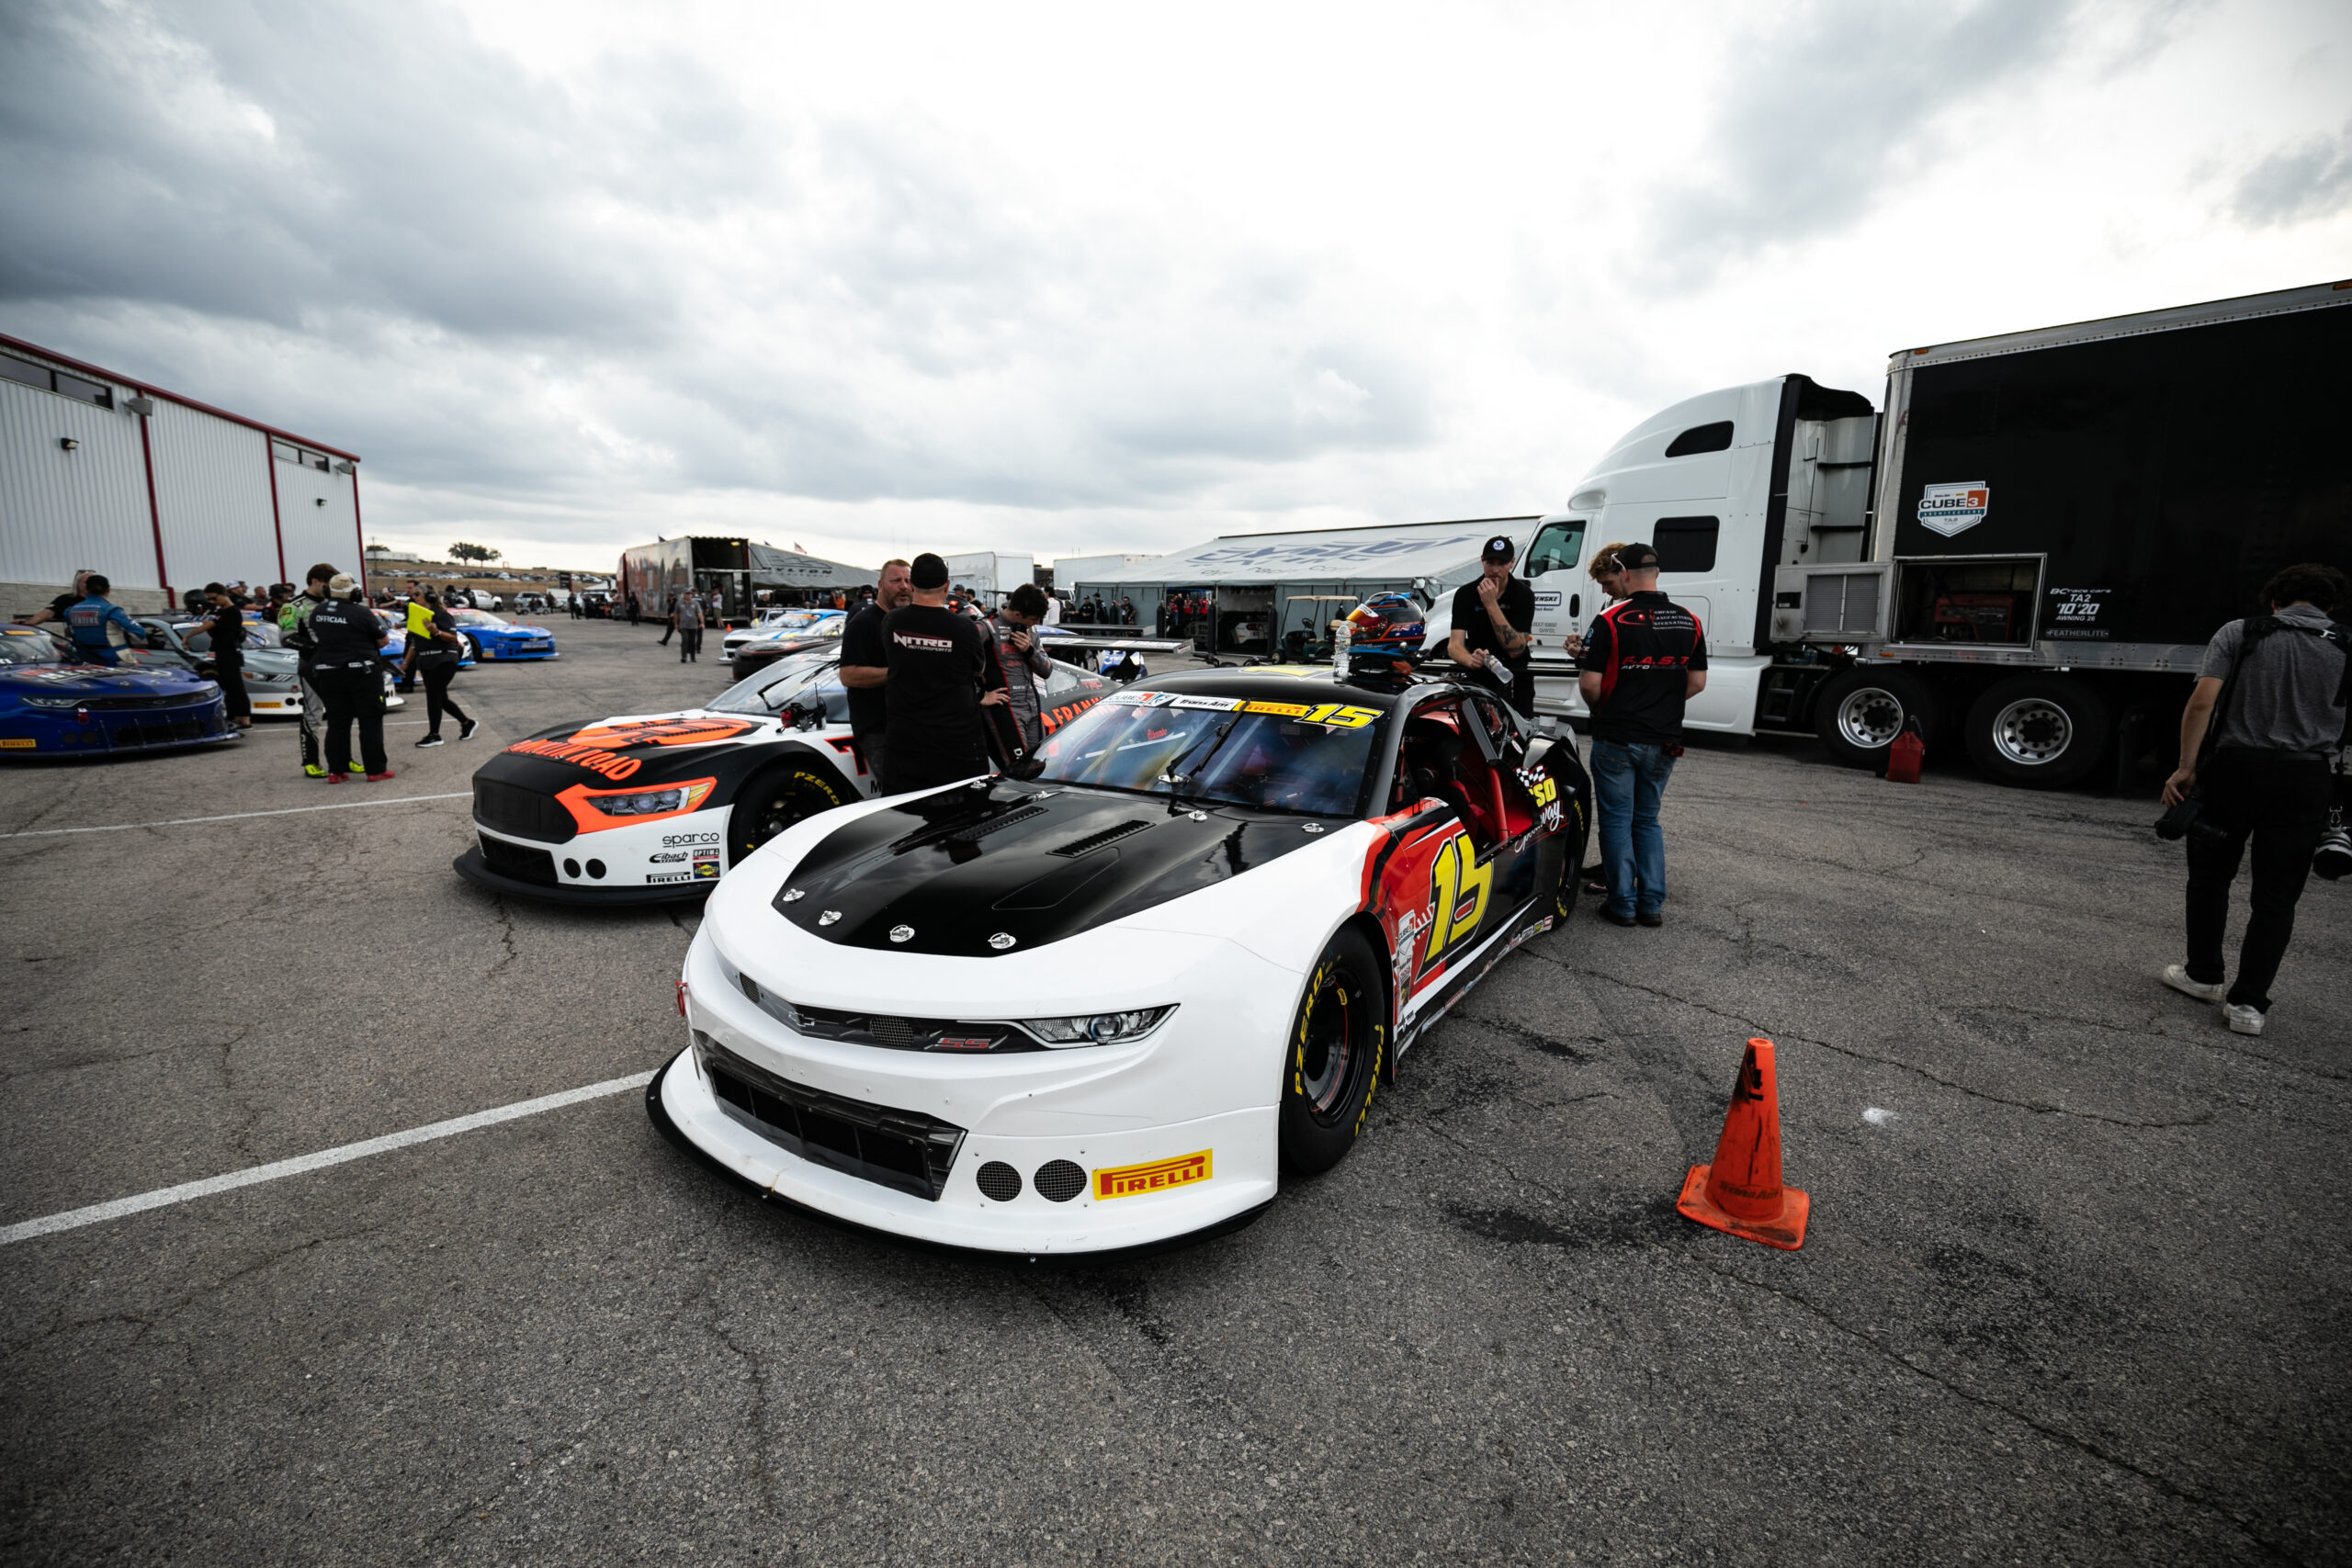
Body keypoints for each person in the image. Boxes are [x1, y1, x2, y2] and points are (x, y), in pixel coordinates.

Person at [2160, 563, 2350, 1036]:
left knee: (2210, 877)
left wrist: (2185, 768)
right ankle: (2248, 1005)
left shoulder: (2241, 632)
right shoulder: (2347, 644)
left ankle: (2203, 976)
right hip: (2307, 776)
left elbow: (2202, 702)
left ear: (2274, 601)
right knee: (2277, 895)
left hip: (2236, 770)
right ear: (2330, 606)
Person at [1576, 542, 1708, 929]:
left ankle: (1622, 904)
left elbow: (1589, 684)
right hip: (1665, 738)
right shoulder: (1690, 620)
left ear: (1624, 573)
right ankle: (1650, 904)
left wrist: (1604, 706)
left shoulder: (1611, 619)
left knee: (1617, 821)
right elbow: (1697, 682)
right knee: (1647, 820)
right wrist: (1661, 703)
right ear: (1657, 573)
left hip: (1617, 733)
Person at [882, 553, 1005, 795]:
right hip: (956, 743)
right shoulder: (963, 627)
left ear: (912, 585)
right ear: (947, 586)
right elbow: (978, 668)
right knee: (963, 811)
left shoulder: (892, 621)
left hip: (905, 743)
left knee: (904, 812)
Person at [1565, 542, 1632, 894]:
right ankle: (1612, 865)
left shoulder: (1631, 610)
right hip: (1616, 717)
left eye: (1607, 583)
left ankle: (1620, 878)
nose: (1604, 590)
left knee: (1623, 809)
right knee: (1615, 805)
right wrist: (1582, 652)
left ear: (1624, 573)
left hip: (1618, 717)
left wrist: (1597, 702)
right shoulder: (1612, 605)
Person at [307, 573, 394, 781]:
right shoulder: (360, 612)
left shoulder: (318, 611)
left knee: (337, 722)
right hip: (361, 672)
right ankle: (375, 770)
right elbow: (383, 641)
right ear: (354, 592)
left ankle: (335, 770)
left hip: (328, 672)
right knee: (370, 721)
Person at [839, 558, 913, 784]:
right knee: (901, 793)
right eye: (896, 580)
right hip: (878, 729)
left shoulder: (911, 622)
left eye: (908, 581)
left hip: (912, 724)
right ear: (880, 585)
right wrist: (897, 673)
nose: (904, 586)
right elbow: (848, 675)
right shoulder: (863, 624)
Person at [1448, 534, 1536, 717]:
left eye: (1502, 564)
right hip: (1480, 677)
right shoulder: (1465, 594)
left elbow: (1516, 649)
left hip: (1514, 677)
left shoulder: (1523, 595)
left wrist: (1490, 604)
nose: (1495, 570)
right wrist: (1469, 659)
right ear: (1482, 561)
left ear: (1512, 563)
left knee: (1517, 729)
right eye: (1490, 563)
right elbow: (1454, 645)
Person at [981, 582, 1056, 771]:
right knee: (1019, 769)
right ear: (1017, 614)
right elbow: (956, 664)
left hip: (1032, 705)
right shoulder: (986, 628)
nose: (1036, 623)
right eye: (1034, 619)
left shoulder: (1032, 631)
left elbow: (1047, 671)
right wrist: (979, 695)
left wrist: (1029, 651)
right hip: (1006, 709)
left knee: (1038, 766)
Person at [279, 564, 345, 775]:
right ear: (314, 581)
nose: (328, 590)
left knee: (341, 714)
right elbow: (286, 638)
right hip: (311, 666)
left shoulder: (334, 603)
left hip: (337, 665)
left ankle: (344, 760)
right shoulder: (293, 606)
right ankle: (311, 762)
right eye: (326, 585)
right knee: (313, 713)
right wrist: (318, 649)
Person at [411, 592, 478, 748]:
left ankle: (435, 735)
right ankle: (467, 723)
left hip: (443, 660)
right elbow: (414, 644)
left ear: (428, 597)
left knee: (433, 696)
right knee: (441, 698)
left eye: (417, 594)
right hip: (427, 661)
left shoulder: (441, 614)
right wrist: (406, 663)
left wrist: (437, 632)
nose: (414, 597)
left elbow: (453, 637)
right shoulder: (418, 616)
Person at [195, 583, 253, 728]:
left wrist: (188, 636)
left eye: (214, 598)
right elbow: (213, 632)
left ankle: (244, 719)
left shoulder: (232, 611)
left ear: (223, 594)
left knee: (236, 686)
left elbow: (211, 627)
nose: (213, 602)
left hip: (230, 652)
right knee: (228, 687)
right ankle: (235, 717)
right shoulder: (220, 612)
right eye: (210, 599)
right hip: (221, 651)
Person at [62, 575, 147, 666]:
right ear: (108, 590)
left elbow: (71, 631)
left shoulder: (70, 610)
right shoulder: (112, 610)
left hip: (85, 659)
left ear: (87, 589)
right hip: (114, 659)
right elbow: (140, 632)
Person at [397, 584, 432, 692]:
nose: (413, 596)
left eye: (416, 593)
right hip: (413, 636)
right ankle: (407, 683)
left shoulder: (430, 610)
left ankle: (408, 684)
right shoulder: (409, 603)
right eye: (407, 588)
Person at [675, 590, 705, 662]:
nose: (689, 595)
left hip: (693, 625)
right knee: (685, 640)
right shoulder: (679, 603)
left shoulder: (695, 603)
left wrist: (702, 622)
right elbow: (676, 614)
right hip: (683, 625)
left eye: (690, 594)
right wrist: (676, 623)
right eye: (687, 594)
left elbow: (699, 613)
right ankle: (684, 657)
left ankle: (692, 657)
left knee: (692, 642)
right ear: (684, 594)